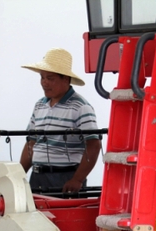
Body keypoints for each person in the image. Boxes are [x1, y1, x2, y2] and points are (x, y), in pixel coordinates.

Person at [19, 48, 101, 193]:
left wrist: (77, 179)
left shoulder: (81, 107)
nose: (44, 83)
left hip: (65, 177)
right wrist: (18, 176)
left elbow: (93, 145)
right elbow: (31, 142)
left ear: (66, 79)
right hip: (37, 177)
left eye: (50, 78)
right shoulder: (39, 105)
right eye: (42, 77)